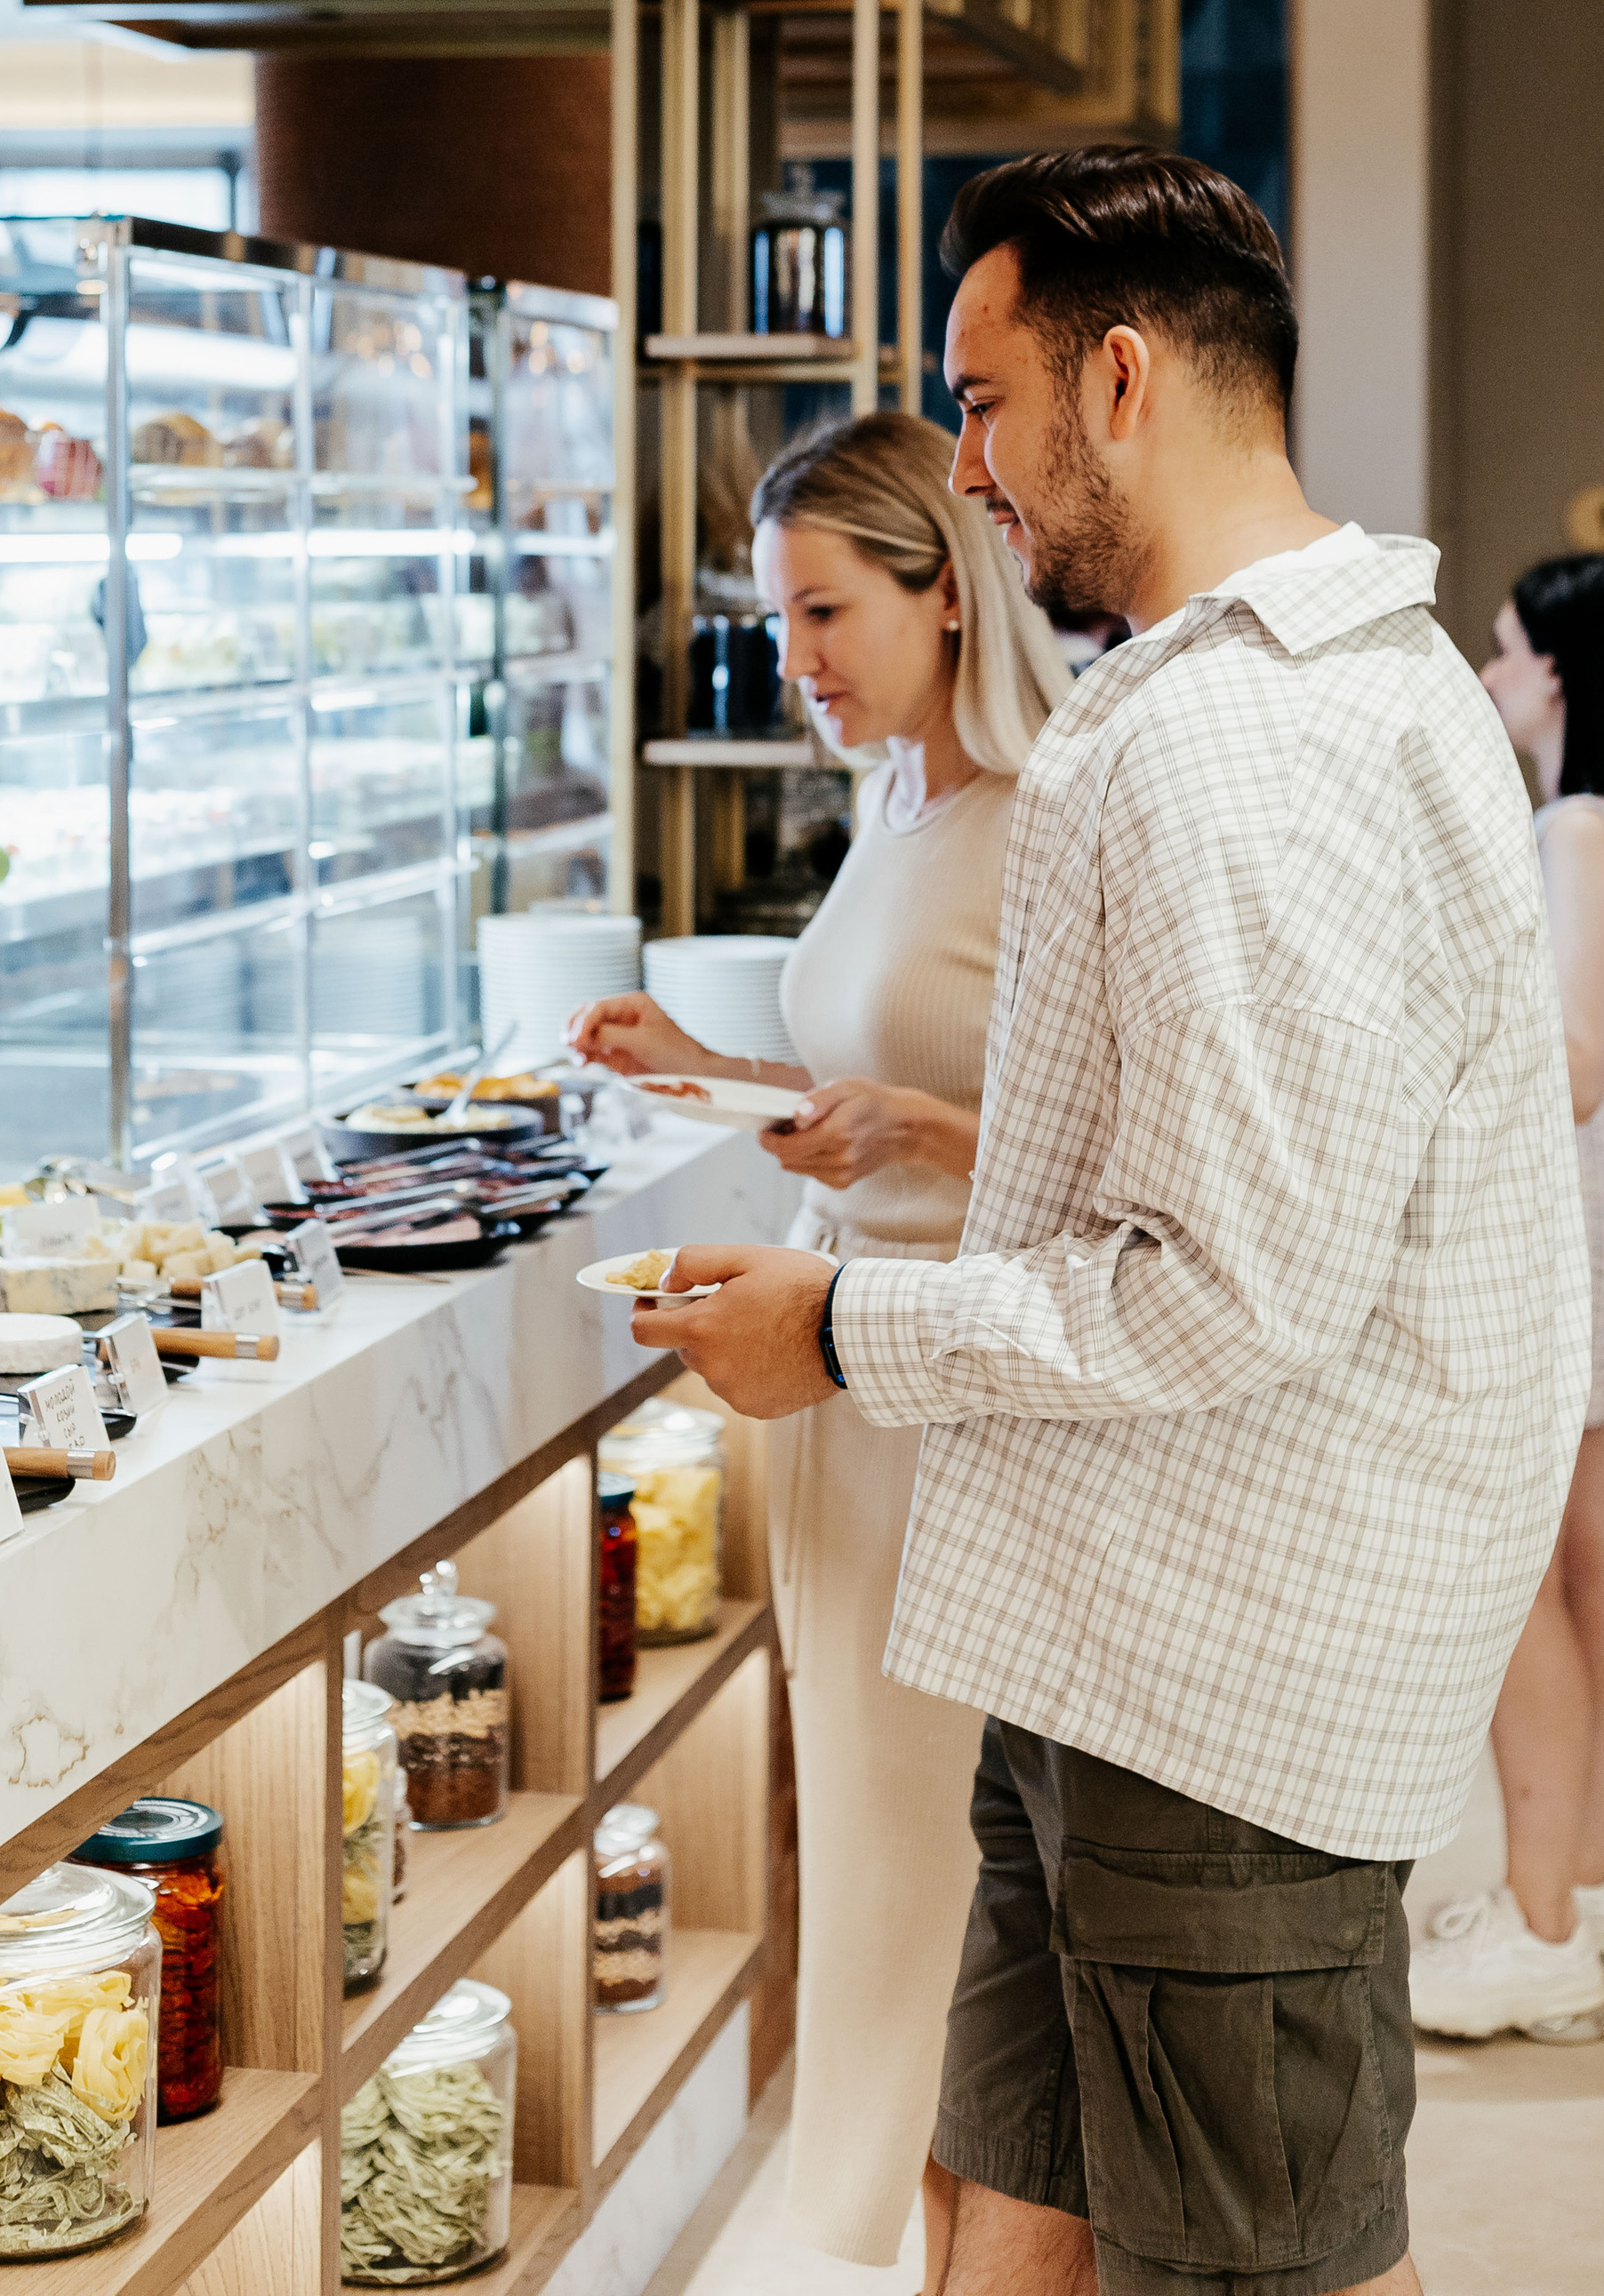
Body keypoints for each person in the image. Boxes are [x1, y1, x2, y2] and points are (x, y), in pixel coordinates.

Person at [628, 147, 1590, 2296]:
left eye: (981, 405)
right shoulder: (1329, 672)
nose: (968, 472)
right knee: (1004, 2212)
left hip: (1226, 1671)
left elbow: (1229, 1285)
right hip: (1100, 1616)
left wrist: (849, 1336)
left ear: (1123, 377)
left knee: (1257, 2263)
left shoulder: (1243, 743)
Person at [570, 415, 1074, 2279]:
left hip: (954, 1398)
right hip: (841, 1391)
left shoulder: (1052, 815)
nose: (796, 663)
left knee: (939, 1873)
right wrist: (705, 1074)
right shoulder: (899, 805)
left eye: (823, 613)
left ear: (949, 590)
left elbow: (1101, 1150)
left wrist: (912, 1141)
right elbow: (896, 1088)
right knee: (865, 1855)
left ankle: (963, 2235)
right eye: (776, 623)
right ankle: (919, 2233)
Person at [1409, 555, 1604, 2044]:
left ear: (1563, 677)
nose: (1485, 667)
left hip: (1566, 1203)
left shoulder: (1577, 830)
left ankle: (1541, 1924)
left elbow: (1572, 1064)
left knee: (1529, 1560)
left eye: (1506, 647)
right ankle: (1591, 1878)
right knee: (1597, 1550)